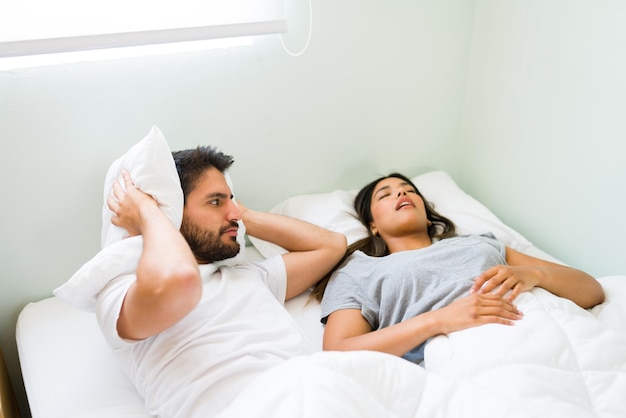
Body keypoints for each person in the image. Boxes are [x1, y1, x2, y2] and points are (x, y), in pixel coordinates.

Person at [97, 146, 347, 418]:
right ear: (172, 212)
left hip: (316, 400)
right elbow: (180, 282)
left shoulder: (249, 277)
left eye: (232, 200)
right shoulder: (118, 293)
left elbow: (332, 246)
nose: (234, 213)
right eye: (215, 202)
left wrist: (241, 214)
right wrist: (148, 213)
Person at [315, 172, 605, 364]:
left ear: (428, 217)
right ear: (372, 225)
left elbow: (593, 291)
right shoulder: (361, 269)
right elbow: (339, 350)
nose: (402, 195)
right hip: (468, 354)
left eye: (409, 190)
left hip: (543, 326)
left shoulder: (480, 244)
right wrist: (437, 320)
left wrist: (533, 275)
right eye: (385, 194)